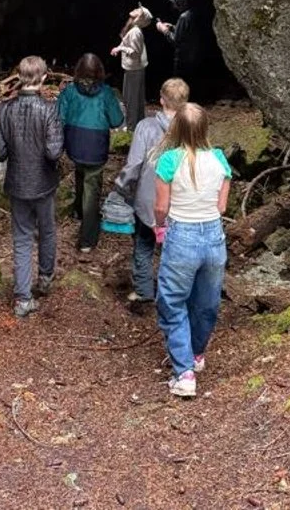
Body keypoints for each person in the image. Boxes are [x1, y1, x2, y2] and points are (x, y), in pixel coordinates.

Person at [153, 102, 231, 399]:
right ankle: (197, 354)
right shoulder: (220, 159)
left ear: (177, 129)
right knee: (206, 301)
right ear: (205, 128)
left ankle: (183, 371)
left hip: (182, 235)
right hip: (213, 236)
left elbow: (161, 206)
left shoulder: (169, 161)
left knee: (172, 301)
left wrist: (160, 226)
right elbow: (221, 206)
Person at [0, 55, 64, 318]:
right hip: (43, 182)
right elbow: (54, 152)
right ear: (44, 78)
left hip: (18, 184)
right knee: (46, 231)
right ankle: (44, 278)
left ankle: (23, 298)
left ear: (19, 77)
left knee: (22, 239)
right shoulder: (49, 109)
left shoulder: (5, 109)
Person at [113, 78, 189, 309]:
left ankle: (144, 292)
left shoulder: (146, 127)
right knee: (175, 248)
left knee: (144, 246)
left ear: (161, 98)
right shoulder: (191, 129)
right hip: (180, 201)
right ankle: (174, 294)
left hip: (148, 201)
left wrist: (121, 186)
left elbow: (134, 164)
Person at [57, 53, 124, 253]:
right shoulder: (106, 93)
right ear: (99, 72)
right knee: (92, 188)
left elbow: (58, 117)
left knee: (80, 170)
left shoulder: (69, 91)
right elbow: (117, 120)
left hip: (75, 143)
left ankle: (78, 211)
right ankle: (87, 239)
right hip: (96, 145)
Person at [110, 4, 152, 130]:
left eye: (138, 10)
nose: (135, 9)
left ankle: (132, 127)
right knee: (134, 98)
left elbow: (135, 52)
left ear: (140, 18)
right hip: (134, 69)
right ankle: (136, 124)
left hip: (134, 70)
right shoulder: (133, 28)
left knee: (132, 99)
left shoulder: (135, 32)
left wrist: (120, 48)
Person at [157, 0, 204, 96]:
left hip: (183, 58)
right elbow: (186, 33)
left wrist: (164, 30)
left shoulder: (184, 17)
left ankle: (179, 106)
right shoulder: (193, 13)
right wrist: (174, 27)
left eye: (175, 3)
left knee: (179, 84)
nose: (174, 7)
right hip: (193, 56)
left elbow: (175, 41)